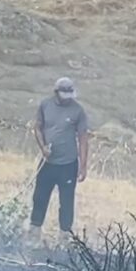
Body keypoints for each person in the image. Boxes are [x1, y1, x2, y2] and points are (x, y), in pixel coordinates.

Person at [28, 77, 90, 241]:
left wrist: (83, 166)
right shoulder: (45, 105)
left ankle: (64, 237)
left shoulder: (78, 111)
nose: (67, 98)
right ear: (56, 92)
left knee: (66, 202)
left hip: (68, 165)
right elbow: (38, 127)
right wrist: (43, 148)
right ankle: (34, 234)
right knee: (40, 198)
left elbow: (83, 138)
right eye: (64, 94)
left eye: (69, 94)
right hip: (48, 164)